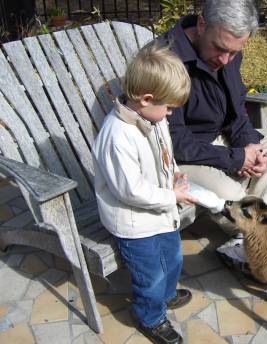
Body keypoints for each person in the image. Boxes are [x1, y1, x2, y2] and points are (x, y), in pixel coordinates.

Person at [161, 0, 267, 268]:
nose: (225, 60)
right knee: (232, 192)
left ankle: (247, 238)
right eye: (220, 49)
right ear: (202, 24)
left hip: (215, 142)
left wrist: (249, 145)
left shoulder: (228, 55)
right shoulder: (166, 60)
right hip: (179, 157)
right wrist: (235, 158)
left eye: (234, 53)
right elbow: (174, 141)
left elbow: (236, 113)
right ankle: (258, 234)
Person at [92, 42, 196, 344]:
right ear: (146, 98)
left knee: (173, 258)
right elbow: (130, 191)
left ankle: (165, 295)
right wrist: (172, 197)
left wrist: (174, 170)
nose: (170, 114)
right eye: (169, 107)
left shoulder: (154, 117)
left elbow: (165, 150)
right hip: (134, 222)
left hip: (161, 212)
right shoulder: (118, 136)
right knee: (149, 273)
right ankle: (150, 316)